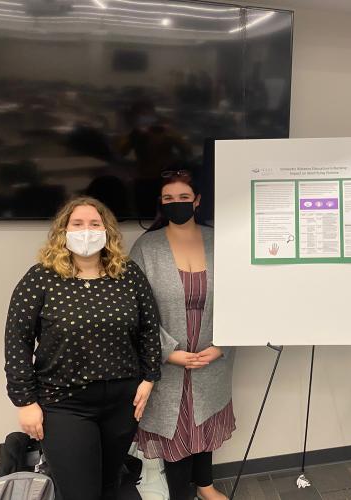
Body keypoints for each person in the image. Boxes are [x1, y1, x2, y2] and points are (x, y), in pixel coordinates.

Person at [4, 196, 161, 500]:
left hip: (122, 403)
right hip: (64, 404)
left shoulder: (128, 275)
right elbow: (17, 341)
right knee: (80, 492)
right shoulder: (40, 278)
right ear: (63, 231)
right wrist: (24, 402)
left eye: (94, 224)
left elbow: (149, 327)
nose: (86, 231)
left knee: (109, 484)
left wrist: (149, 377)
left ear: (107, 231)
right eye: (77, 224)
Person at [132, 169, 235, 500]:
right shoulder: (146, 247)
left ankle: (205, 486)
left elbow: (242, 298)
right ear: (161, 204)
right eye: (168, 199)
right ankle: (181, 495)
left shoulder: (219, 240)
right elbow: (135, 309)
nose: (176, 204)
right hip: (169, 358)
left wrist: (222, 345)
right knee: (176, 428)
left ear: (197, 201)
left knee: (203, 421)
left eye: (183, 198)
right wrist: (166, 352)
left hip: (211, 355)